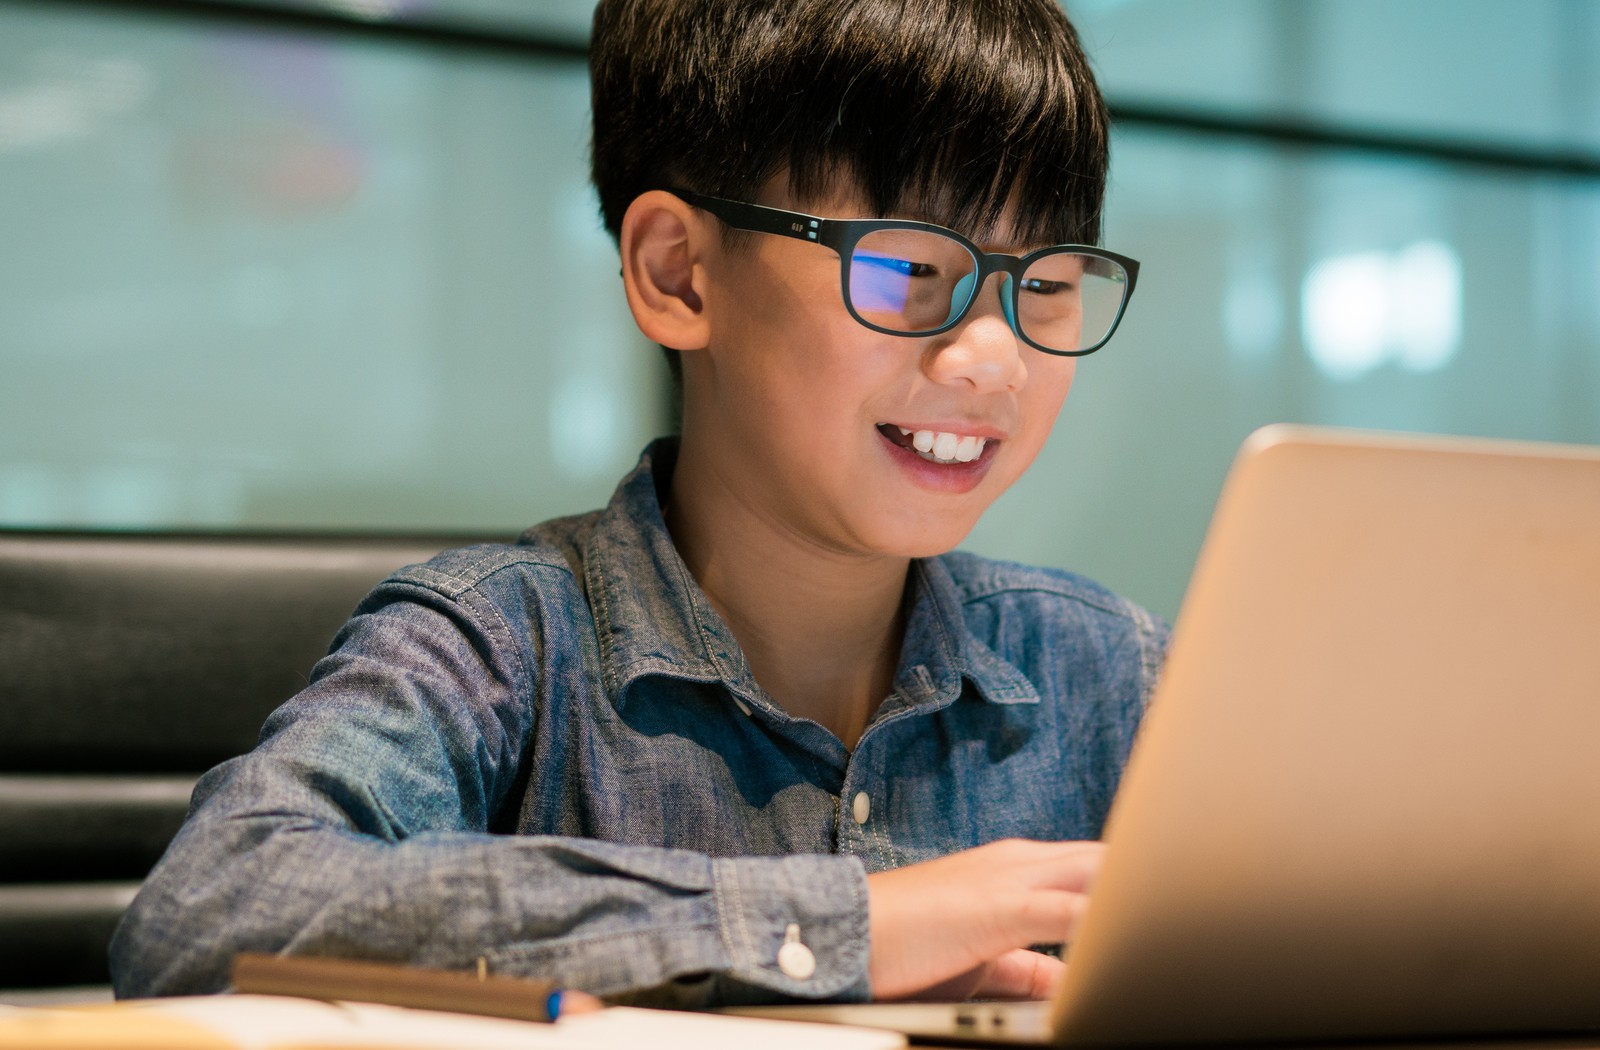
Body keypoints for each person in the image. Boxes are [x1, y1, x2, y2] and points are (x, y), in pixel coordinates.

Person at [111, 0, 1167, 1007]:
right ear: (678, 274)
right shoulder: (503, 647)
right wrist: (842, 925)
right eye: (904, 270)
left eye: (1043, 285)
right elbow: (211, 910)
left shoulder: (1108, 671)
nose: (994, 360)